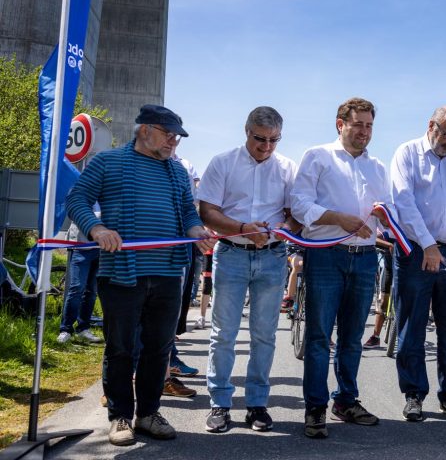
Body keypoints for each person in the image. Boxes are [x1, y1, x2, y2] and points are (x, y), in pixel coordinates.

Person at [66, 104, 214, 446]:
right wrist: (97, 227)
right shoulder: (108, 162)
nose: (174, 141)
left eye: (177, 136)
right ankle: (119, 416)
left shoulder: (176, 172)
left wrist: (197, 230)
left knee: (159, 348)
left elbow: (188, 212)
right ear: (144, 130)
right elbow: (77, 199)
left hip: (167, 273)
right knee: (120, 348)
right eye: (168, 134)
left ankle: (148, 413)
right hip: (121, 272)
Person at [291, 97, 392, 439]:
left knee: (352, 338)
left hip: (365, 257)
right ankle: (315, 407)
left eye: (369, 126)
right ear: (340, 124)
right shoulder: (317, 156)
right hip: (325, 255)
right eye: (358, 124)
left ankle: (345, 400)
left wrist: (384, 216)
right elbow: (299, 203)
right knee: (320, 336)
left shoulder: (377, 167)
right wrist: (339, 218)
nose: (364, 131)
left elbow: (388, 209)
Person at [197, 106, 298, 434]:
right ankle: (219, 402)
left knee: (264, 335)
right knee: (223, 332)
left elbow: (296, 214)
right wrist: (242, 227)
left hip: (272, 257)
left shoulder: (287, 169)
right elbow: (207, 212)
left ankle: (257, 404)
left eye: (274, 140)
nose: (266, 147)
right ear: (246, 131)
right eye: (260, 139)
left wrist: (283, 225)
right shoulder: (223, 162)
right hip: (231, 254)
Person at [390, 105, 446, 422]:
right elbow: (402, 201)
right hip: (416, 251)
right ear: (431, 125)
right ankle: (414, 393)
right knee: (412, 324)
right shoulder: (407, 153)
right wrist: (427, 243)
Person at [56, 221, 102, 344]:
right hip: (80, 247)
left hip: (101, 249)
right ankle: (65, 329)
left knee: (91, 291)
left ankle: (83, 328)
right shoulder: (83, 200)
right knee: (76, 288)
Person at [363, 233, 395, 349]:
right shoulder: (386, 228)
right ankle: (376, 337)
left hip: (408, 269)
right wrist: (389, 245)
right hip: (389, 268)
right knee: (383, 301)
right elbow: (373, 236)